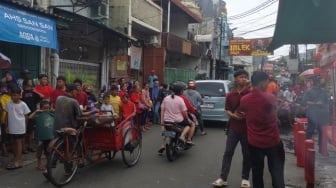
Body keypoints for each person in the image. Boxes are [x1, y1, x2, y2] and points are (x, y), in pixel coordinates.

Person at [238, 71, 285, 188]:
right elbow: (274, 112)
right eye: (267, 82)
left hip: (254, 143)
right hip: (272, 142)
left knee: (257, 174)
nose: (268, 85)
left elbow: (241, 112)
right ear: (263, 83)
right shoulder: (270, 98)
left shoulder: (245, 99)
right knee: (276, 173)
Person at [212, 70, 251, 188]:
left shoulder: (250, 93)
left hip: (247, 129)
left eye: (245, 77)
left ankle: (245, 178)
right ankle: (223, 178)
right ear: (235, 79)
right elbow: (227, 109)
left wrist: (247, 115)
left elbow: (254, 109)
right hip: (233, 128)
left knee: (247, 154)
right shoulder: (230, 94)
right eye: (241, 77)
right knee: (228, 153)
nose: (243, 79)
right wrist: (233, 115)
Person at [5, 86, 31, 170]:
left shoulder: (23, 104)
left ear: (20, 95)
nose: (14, 97)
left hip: (20, 127)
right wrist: (7, 126)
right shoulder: (8, 104)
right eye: (12, 95)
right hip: (12, 127)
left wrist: (25, 127)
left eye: (16, 95)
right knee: (13, 143)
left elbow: (26, 117)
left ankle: (18, 161)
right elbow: (7, 115)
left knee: (19, 143)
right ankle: (16, 157)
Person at [302, 76, 330, 153]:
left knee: (321, 132)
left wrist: (323, 105)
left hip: (321, 115)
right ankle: (307, 148)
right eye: (321, 81)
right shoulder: (309, 91)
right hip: (312, 113)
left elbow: (327, 102)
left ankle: (321, 149)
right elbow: (304, 102)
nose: (322, 83)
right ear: (317, 83)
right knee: (310, 131)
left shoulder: (323, 91)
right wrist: (315, 103)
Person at [28, 100, 54, 170]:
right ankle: (39, 163)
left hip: (50, 136)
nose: (46, 110)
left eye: (48, 108)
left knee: (49, 150)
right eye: (44, 108)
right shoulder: (38, 115)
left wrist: (52, 110)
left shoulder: (51, 114)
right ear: (41, 108)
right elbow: (30, 117)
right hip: (41, 137)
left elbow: (59, 114)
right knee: (39, 150)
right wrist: (36, 111)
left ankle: (48, 163)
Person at [21, 82, 41, 153]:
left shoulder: (34, 93)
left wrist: (35, 91)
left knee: (31, 131)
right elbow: (19, 99)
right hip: (23, 115)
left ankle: (30, 146)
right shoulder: (22, 93)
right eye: (27, 86)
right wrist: (22, 91)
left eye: (30, 86)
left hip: (32, 113)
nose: (28, 87)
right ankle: (23, 148)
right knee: (23, 132)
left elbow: (42, 96)